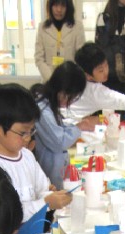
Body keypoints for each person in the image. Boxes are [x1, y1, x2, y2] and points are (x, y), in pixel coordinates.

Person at [0, 83, 72, 222]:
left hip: (35, 230)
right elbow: (4, 217)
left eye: (31, 130)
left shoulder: (27, 155)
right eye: (23, 132)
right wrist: (45, 203)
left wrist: (51, 194)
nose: (28, 138)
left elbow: (42, 189)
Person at [31, 61, 97, 189]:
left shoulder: (49, 103)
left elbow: (58, 130)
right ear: (62, 92)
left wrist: (77, 126)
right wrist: (79, 127)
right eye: (72, 97)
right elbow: (59, 142)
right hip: (49, 175)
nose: (71, 101)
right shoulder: (42, 109)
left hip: (56, 171)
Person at [62, 42, 125, 125]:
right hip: (66, 125)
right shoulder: (94, 91)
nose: (106, 72)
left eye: (106, 65)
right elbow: (116, 98)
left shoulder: (72, 78)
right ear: (88, 75)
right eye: (100, 70)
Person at [95, 0, 125, 100]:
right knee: (107, 108)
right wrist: (124, 45)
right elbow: (100, 49)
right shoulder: (103, 18)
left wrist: (114, 44)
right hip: (108, 76)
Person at [35, 0, 85, 82]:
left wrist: (69, 78)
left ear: (68, 7)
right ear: (50, 6)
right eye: (55, 5)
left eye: (63, 5)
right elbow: (39, 58)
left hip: (70, 80)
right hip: (48, 80)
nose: (59, 9)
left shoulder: (77, 27)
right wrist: (51, 79)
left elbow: (80, 57)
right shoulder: (42, 27)